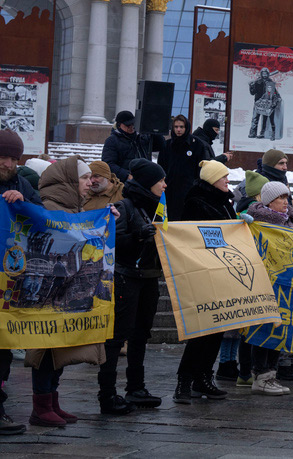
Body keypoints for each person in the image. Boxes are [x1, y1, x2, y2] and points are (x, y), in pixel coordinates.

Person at [30, 156, 107, 427]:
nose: (91, 182)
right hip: (50, 290)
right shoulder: (50, 207)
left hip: (68, 288)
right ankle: (41, 404)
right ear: (69, 182)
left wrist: (105, 222)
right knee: (46, 349)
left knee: (61, 346)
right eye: (85, 178)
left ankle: (52, 401)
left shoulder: (75, 209)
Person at [98, 158, 168, 414]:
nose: (164, 185)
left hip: (149, 276)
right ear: (148, 183)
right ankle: (107, 394)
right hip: (126, 277)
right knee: (117, 338)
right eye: (160, 180)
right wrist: (138, 237)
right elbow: (113, 245)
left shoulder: (159, 208)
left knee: (141, 334)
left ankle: (136, 387)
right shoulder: (124, 206)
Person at [174, 160, 237, 404]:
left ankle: (204, 378)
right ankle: (184, 381)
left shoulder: (223, 201)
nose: (227, 181)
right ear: (212, 180)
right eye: (223, 177)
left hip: (222, 271)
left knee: (217, 329)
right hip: (202, 273)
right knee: (201, 331)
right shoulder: (196, 202)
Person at [245, 180, 293, 396]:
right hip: (264, 282)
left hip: (284, 282)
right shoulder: (258, 222)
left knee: (279, 328)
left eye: (287, 198)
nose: (285, 202)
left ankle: (271, 375)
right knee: (264, 328)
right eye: (281, 198)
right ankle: (260, 376)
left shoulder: (289, 222)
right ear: (269, 202)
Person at [0, 130, 37, 435]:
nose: (8, 163)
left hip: (10, 279)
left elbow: (43, 218)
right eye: (3, 156)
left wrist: (23, 202)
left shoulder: (22, 183)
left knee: (3, 348)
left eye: (13, 158)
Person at [158, 115, 204, 220]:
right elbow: (161, 168)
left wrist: (196, 186)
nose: (179, 130)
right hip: (170, 191)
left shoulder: (196, 144)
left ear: (186, 127)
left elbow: (201, 168)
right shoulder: (166, 145)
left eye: (181, 127)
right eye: (176, 127)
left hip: (189, 191)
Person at [101, 110, 159, 182]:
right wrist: (127, 175)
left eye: (132, 124)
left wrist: (155, 130)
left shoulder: (142, 136)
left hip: (144, 180)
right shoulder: (112, 141)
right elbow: (108, 164)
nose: (131, 127)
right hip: (125, 183)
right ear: (119, 125)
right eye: (127, 125)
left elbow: (160, 146)